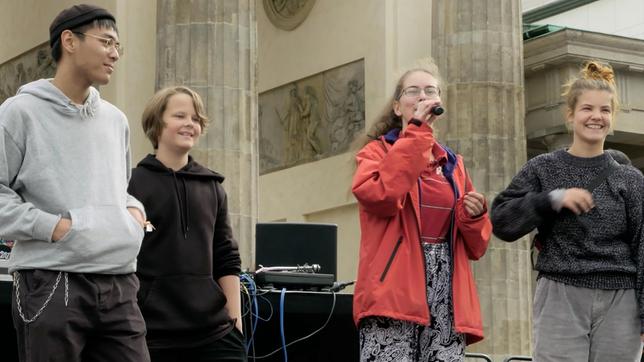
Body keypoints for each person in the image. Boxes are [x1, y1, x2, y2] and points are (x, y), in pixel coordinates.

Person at [0, 4, 149, 361]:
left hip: (119, 283)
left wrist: (133, 213)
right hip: (52, 281)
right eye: (106, 42)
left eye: (118, 46)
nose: (115, 54)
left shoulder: (116, 120)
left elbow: (118, 188)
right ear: (69, 40)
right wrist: (55, 227)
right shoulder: (19, 113)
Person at [491, 61, 644, 362]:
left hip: (620, 299)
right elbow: (501, 219)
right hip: (560, 293)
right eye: (587, 109)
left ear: (612, 118)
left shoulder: (631, 180)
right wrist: (552, 199)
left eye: (604, 110)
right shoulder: (543, 168)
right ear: (571, 114)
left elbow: (643, 246)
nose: (596, 117)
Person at [351, 58, 492, 361]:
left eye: (430, 90)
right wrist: (416, 132)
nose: (423, 96)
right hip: (395, 286)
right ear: (398, 107)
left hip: (446, 288)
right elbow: (381, 195)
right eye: (413, 91)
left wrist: (474, 216)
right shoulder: (376, 153)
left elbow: (477, 246)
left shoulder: (453, 164)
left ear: (439, 102)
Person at [128, 86, 245, 361]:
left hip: (214, 332)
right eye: (180, 116)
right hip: (151, 333)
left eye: (195, 118)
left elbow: (226, 256)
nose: (189, 124)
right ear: (157, 123)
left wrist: (236, 320)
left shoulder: (213, 187)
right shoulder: (131, 184)